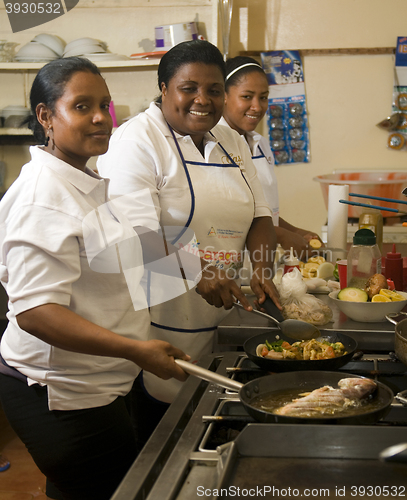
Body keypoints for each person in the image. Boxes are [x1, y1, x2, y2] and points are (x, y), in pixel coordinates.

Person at [0, 57, 191, 500]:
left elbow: (106, 263)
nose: (101, 118)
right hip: (61, 394)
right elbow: (35, 313)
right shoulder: (43, 197)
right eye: (82, 106)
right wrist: (137, 350)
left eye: (104, 105)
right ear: (46, 116)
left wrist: (197, 271)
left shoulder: (80, 178)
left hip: (98, 383)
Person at [97, 40, 280, 446]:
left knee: (214, 433)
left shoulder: (231, 141)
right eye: (189, 88)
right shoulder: (136, 141)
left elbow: (260, 214)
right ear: (164, 88)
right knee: (164, 441)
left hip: (224, 317)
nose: (203, 100)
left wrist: (262, 272)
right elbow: (136, 233)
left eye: (214, 90)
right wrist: (199, 271)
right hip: (158, 323)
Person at [216, 56, 323, 259]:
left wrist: (294, 231)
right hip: (229, 261)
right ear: (224, 96)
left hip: (263, 260)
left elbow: (262, 210)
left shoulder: (260, 144)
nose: (257, 107)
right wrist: (280, 235)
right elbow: (223, 215)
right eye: (247, 97)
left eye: (263, 97)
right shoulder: (213, 146)